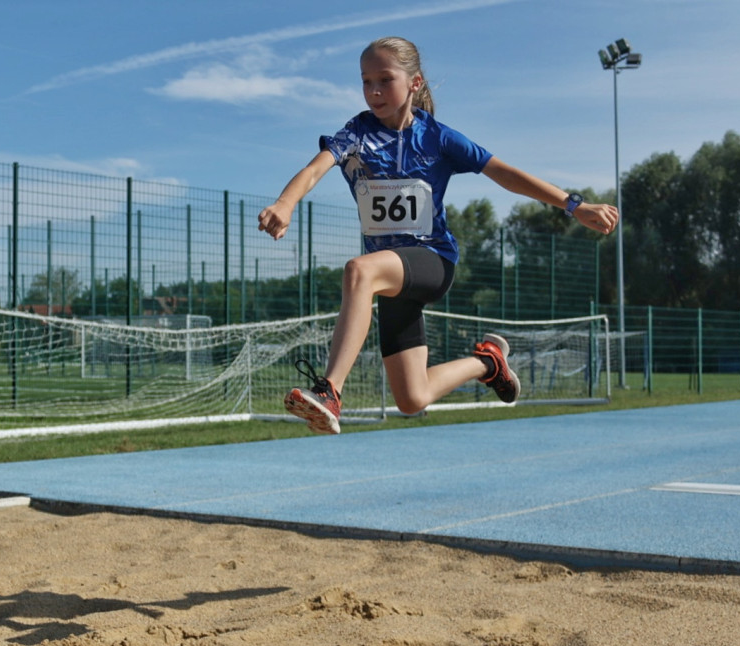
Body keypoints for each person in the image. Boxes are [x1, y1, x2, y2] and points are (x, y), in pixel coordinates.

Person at [258, 36, 619, 435]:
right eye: (365, 82)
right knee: (412, 398)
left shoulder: (438, 137)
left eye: (384, 80)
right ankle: (489, 362)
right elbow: (314, 169)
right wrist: (285, 203)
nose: (373, 91)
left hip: (432, 260)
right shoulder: (356, 133)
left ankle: (329, 390)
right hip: (391, 275)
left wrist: (573, 205)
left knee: (358, 272)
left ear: (414, 83)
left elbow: (505, 174)